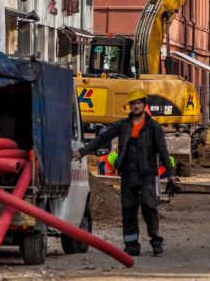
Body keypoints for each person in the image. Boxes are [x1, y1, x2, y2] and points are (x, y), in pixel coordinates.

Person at [73, 88, 176, 257]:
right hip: (128, 174)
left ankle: (156, 242)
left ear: (144, 104)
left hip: (147, 174)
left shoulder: (153, 127)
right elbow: (102, 138)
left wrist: (170, 173)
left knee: (149, 206)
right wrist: (83, 151)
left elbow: (163, 151)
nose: (135, 106)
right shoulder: (123, 125)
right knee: (128, 209)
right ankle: (131, 246)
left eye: (138, 103)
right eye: (133, 104)